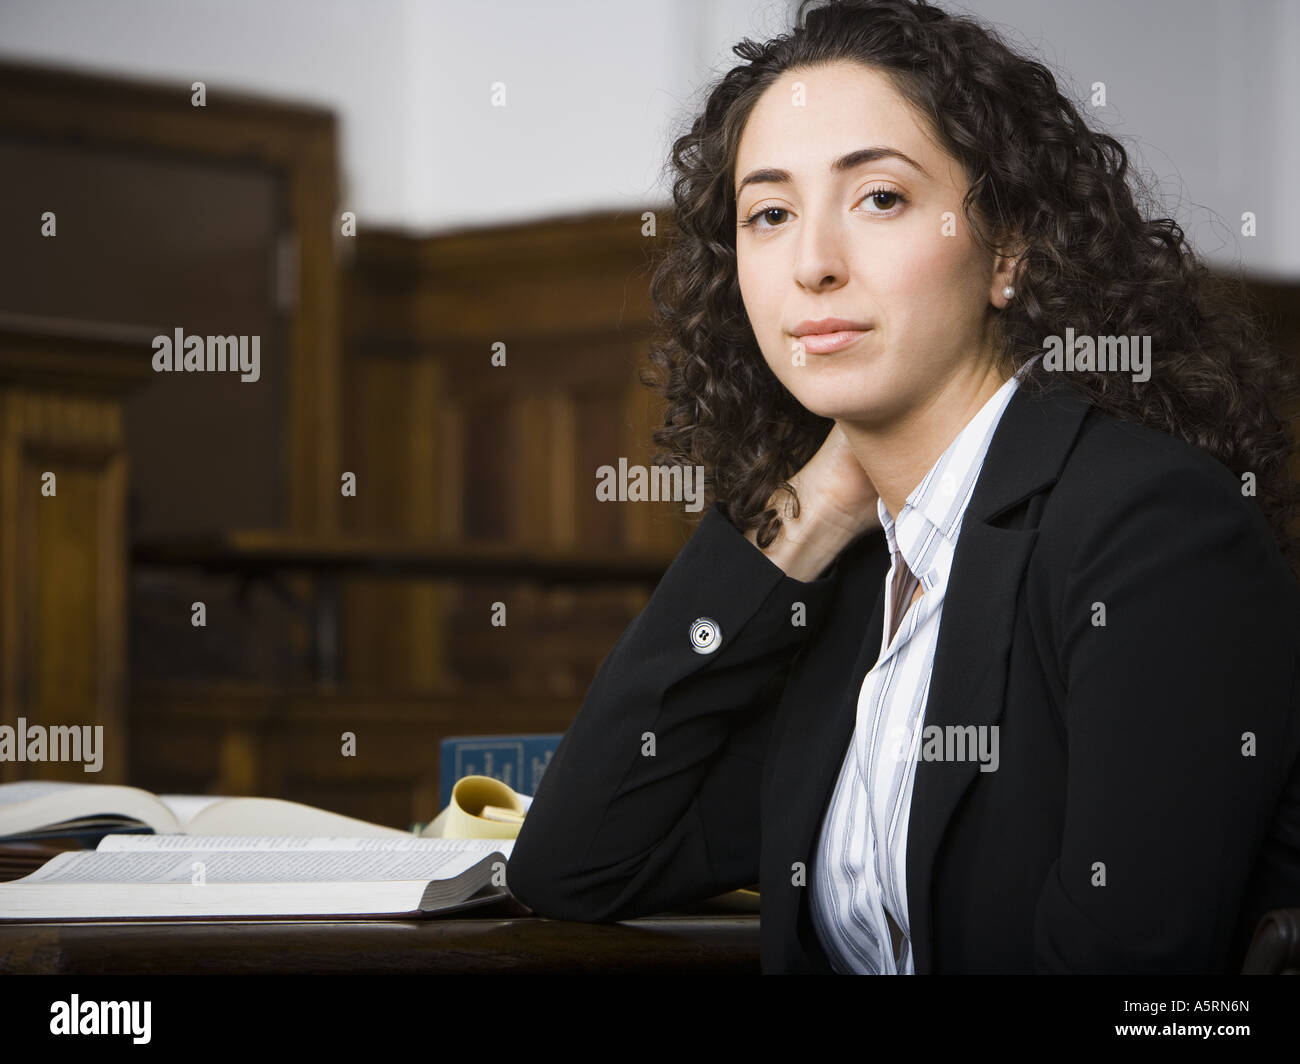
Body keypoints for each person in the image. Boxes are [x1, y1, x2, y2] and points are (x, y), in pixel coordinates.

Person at [506, 0, 1300, 973]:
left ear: (1005, 247)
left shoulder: (1146, 527)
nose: (813, 264)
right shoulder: (854, 572)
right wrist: (806, 515)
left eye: (877, 197)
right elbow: (578, 860)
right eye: (770, 213)